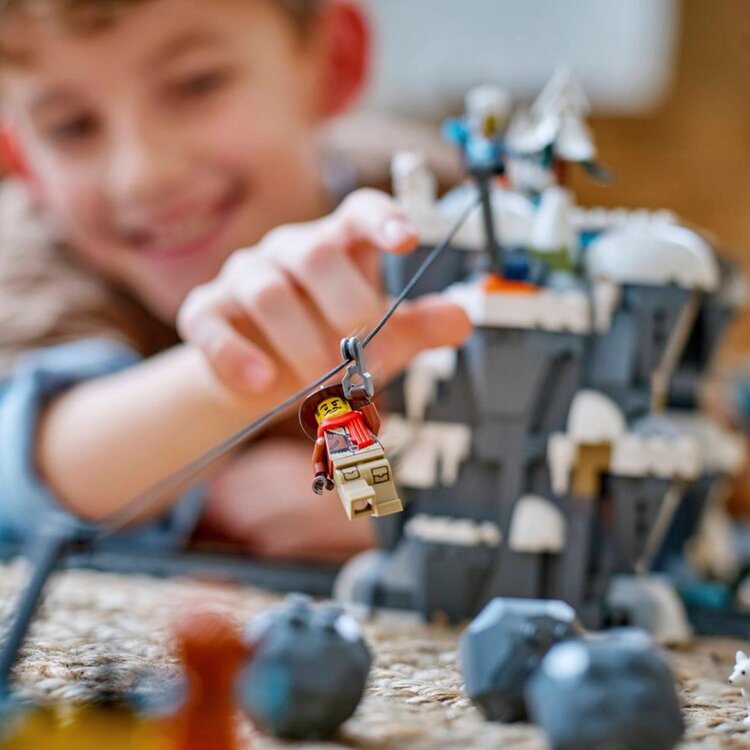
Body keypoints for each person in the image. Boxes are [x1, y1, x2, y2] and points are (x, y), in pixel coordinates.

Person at [0, 0, 472, 560]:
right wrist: (239, 374)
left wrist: (386, 506)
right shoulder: (30, 256)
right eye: (71, 128)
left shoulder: (445, 208)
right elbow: (28, 463)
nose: (143, 175)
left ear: (332, 61)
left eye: (196, 85)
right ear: (20, 156)